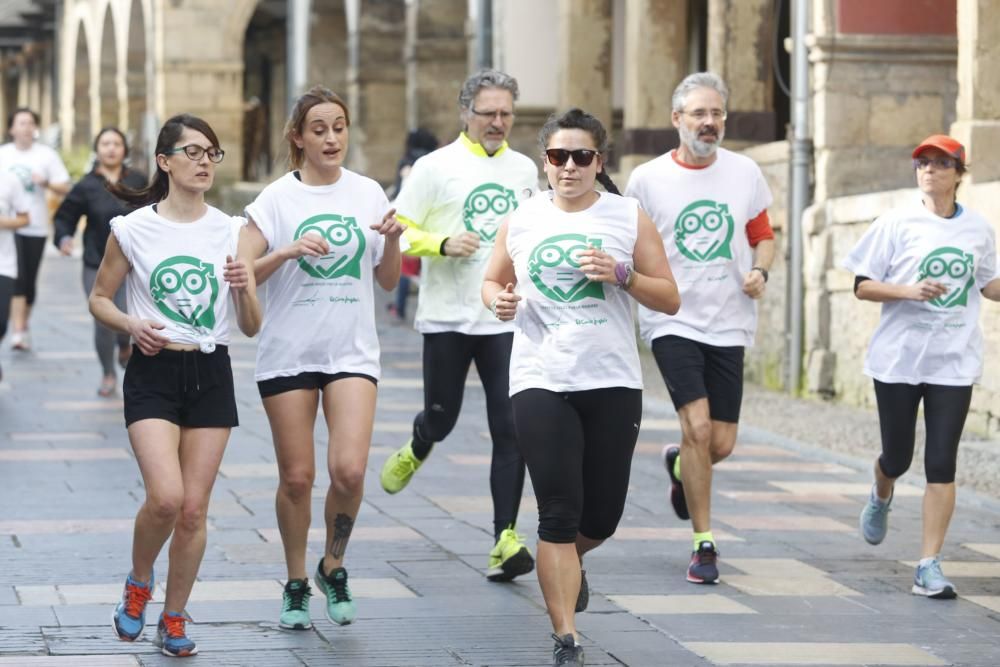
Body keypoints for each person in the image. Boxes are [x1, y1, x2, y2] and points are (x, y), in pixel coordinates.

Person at [483, 108, 679, 667]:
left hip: (611, 379)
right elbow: (495, 278)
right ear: (544, 161)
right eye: (557, 156)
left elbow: (669, 296)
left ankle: (572, 562)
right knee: (558, 515)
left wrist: (622, 274)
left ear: (600, 161)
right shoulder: (522, 219)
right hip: (540, 377)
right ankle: (565, 636)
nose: (568, 167)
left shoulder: (627, 216)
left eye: (581, 156)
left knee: (601, 518)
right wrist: (496, 301)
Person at [91, 114, 261, 657]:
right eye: (192, 152)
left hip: (211, 370)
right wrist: (131, 324)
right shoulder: (134, 228)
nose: (205, 161)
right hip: (154, 369)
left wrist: (245, 289)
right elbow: (99, 298)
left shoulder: (232, 230)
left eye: (212, 152)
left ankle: (176, 615)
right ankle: (140, 583)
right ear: (164, 161)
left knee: (193, 509)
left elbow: (251, 325)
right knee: (165, 498)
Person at [242, 86, 404, 631]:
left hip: (351, 349)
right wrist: (284, 251)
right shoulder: (275, 200)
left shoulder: (368, 194)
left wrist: (396, 242)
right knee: (296, 478)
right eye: (319, 129)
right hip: (288, 352)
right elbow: (240, 274)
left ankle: (333, 564)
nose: (332, 137)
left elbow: (385, 280)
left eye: (339, 127)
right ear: (298, 137)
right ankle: (294, 582)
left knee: (350, 470)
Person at [379, 69, 539, 583]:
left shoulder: (524, 170)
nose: (497, 122)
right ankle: (421, 442)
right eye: (488, 113)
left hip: (505, 319)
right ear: (465, 113)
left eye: (506, 114)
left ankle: (504, 539)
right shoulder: (432, 167)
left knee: (510, 428)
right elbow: (396, 233)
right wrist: (441, 244)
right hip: (448, 317)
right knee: (443, 417)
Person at [624, 72, 776, 584]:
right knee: (699, 428)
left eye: (716, 115)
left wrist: (761, 270)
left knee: (722, 443)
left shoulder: (746, 172)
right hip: (673, 317)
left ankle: (679, 467)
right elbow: (630, 245)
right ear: (677, 120)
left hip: (729, 320)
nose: (709, 123)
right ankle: (704, 544)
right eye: (699, 114)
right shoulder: (647, 179)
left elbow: (763, 235)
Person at [845, 134, 1000, 599]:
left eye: (939, 163)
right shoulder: (896, 222)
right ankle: (882, 488)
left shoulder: (978, 228)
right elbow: (861, 286)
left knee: (941, 462)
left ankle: (928, 564)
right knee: (899, 456)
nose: (929, 169)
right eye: (922, 163)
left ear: (958, 172)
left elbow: (989, 285)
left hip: (953, 360)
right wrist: (908, 290)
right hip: (899, 359)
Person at [54, 127, 147, 396]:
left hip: (134, 265)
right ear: (97, 149)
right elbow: (64, 217)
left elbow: (156, 211)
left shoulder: (139, 180)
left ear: (124, 150)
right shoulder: (86, 185)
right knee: (104, 319)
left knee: (129, 314)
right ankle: (108, 372)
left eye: (116, 143)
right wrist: (63, 238)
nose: (111, 148)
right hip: (97, 263)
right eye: (105, 143)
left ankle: (125, 345)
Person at [0, 107, 71, 351]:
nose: (26, 127)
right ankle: (17, 332)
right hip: (8, 228)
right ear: (11, 128)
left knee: (28, 282)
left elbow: (65, 187)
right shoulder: (3, 155)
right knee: (17, 278)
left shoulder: (46, 155)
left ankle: (23, 323)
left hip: (36, 226)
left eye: (31, 123)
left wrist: (46, 182)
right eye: (21, 123)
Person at [387, 129, 438, 322]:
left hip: (410, 218)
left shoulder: (408, 160)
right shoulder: (433, 160)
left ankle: (399, 306)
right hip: (430, 217)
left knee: (406, 267)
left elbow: (400, 191)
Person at [0, 170, 29, 382]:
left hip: (4, 263)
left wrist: (3, 222)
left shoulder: (8, 179)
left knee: (1, 322)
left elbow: (24, 218)